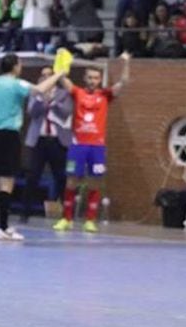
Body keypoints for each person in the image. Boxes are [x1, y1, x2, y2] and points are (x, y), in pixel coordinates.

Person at [0, 53, 66, 240]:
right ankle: (3, 227)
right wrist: (59, 74)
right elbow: (40, 90)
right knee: (6, 182)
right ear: (15, 66)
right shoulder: (17, 84)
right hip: (9, 135)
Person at [53, 54, 131, 233]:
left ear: (99, 80)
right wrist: (61, 60)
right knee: (71, 181)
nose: (92, 81)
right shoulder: (77, 92)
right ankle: (66, 219)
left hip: (97, 147)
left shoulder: (105, 95)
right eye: (89, 77)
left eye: (96, 78)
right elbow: (63, 78)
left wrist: (126, 63)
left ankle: (90, 220)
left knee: (95, 182)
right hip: (78, 145)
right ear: (84, 78)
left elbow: (124, 82)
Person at [22, 66, 73, 225]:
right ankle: (26, 212)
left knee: (61, 176)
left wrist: (53, 102)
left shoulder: (64, 93)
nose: (45, 78)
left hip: (57, 140)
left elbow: (66, 112)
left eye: (48, 75)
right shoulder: (35, 93)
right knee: (32, 176)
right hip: (39, 140)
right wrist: (41, 99)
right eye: (42, 75)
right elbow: (32, 112)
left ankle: (66, 213)